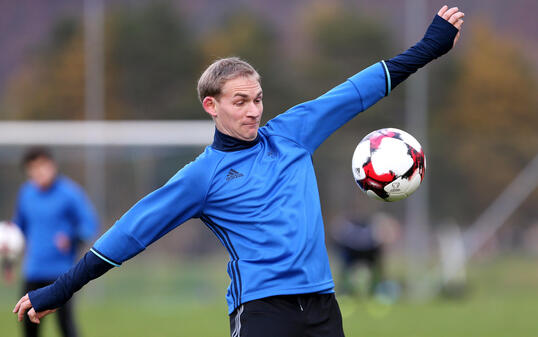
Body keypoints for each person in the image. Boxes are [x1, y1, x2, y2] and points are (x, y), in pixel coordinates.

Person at [14, 6, 464, 337]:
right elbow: (132, 231)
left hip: (325, 307)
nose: (254, 111)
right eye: (240, 101)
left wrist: (430, 47)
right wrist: (60, 289)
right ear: (211, 106)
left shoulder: (291, 134)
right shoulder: (202, 177)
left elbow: (357, 90)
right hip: (263, 313)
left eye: (258, 99)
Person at [12, 146, 99, 337]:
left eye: (43, 166)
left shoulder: (70, 193)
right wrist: (8, 257)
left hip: (61, 275)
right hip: (33, 271)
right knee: (28, 327)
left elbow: (89, 225)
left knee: (66, 327)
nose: (39, 171)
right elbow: (18, 231)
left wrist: (72, 238)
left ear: (53, 166)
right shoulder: (26, 194)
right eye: (33, 167)